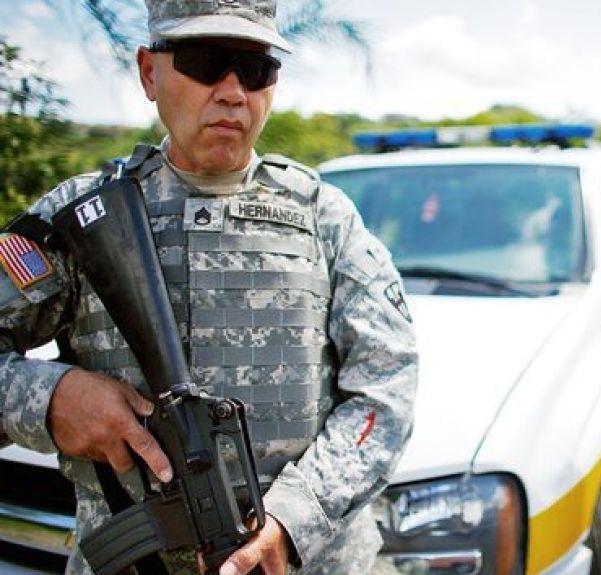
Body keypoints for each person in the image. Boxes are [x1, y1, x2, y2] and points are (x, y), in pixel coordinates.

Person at [0, 1, 417, 574]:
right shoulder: (80, 219)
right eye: (205, 62)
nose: (231, 92)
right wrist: (51, 399)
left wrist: (295, 519)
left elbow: (386, 386)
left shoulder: (324, 217)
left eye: (254, 69)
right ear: (150, 71)